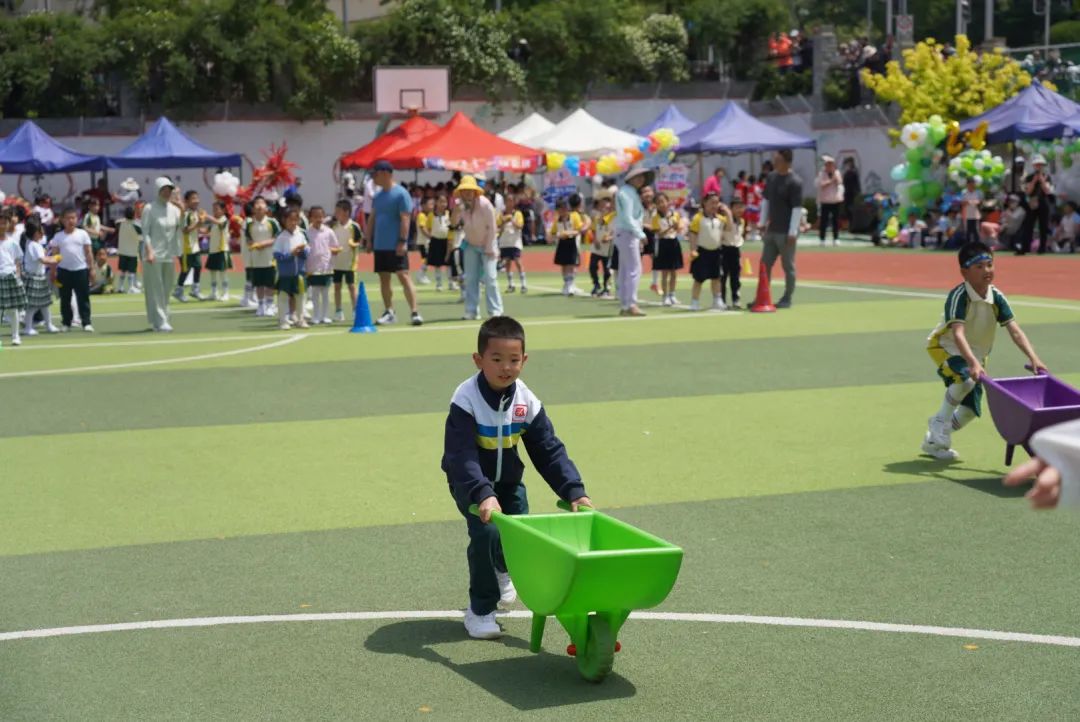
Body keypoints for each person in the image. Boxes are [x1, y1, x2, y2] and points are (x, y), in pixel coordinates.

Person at [441, 316, 591, 639]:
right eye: (496, 360)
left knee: (519, 532)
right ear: (478, 360)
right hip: (469, 482)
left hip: (508, 483)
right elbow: (461, 456)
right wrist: (481, 492)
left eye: (513, 360)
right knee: (487, 534)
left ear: (524, 360)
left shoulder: (525, 400)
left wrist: (573, 489)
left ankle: (502, 568)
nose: (505, 368)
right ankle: (480, 610)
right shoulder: (465, 400)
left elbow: (548, 449)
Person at [922, 240, 1047, 460]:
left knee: (971, 411)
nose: (986, 271)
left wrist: (1034, 357)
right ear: (964, 272)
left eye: (989, 264)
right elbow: (958, 333)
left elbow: (1015, 330)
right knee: (966, 381)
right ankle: (939, 421)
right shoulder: (959, 296)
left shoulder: (996, 297)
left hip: (977, 356)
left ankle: (934, 440)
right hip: (946, 347)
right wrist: (971, 362)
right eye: (979, 267)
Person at [366, 159, 422, 326]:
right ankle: (389, 311)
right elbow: (372, 219)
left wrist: (402, 241)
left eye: (375, 174)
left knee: (403, 276)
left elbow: (405, 219)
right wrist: (368, 240)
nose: (373, 178)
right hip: (380, 245)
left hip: (396, 244)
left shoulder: (401, 194)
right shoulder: (377, 196)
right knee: (384, 278)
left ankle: (414, 312)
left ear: (384, 173)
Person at [452, 175, 502, 320]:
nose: (467, 193)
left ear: (475, 192)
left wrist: (489, 247)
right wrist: (456, 210)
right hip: (470, 245)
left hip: (488, 245)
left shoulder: (485, 204)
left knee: (491, 278)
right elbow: (454, 223)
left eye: (470, 190)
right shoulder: (460, 205)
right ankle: (471, 311)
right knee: (471, 279)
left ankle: (495, 312)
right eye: (464, 190)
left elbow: (493, 228)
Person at [759, 148, 803, 309]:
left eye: (777, 161)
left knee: (788, 266)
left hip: (786, 232)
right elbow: (766, 201)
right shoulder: (771, 178)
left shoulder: (795, 182)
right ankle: (763, 295)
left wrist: (792, 232)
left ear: (787, 162)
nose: (774, 163)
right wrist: (762, 222)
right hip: (772, 229)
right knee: (765, 263)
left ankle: (787, 297)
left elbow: (797, 208)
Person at [140, 177, 184, 332]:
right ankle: (161, 320)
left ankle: (160, 318)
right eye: (163, 190)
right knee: (155, 288)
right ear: (157, 190)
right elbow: (145, 232)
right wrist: (149, 251)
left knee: (166, 288)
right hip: (153, 255)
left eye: (169, 190)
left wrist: (182, 208)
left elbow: (182, 227)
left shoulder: (174, 209)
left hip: (169, 254)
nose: (167, 193)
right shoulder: (149, 208)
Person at [614, 167, 653, 317]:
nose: (641, 179)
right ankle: (631, 303)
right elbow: (628, 217)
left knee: (625, 270)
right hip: (628, 232)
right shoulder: (627, 193)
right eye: (638, 177)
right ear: (630, 178)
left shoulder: (627, 192)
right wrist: (640, 234)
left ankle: (625, 304)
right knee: (634, 269)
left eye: (642, 177)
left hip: (624, 232)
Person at [50, 207, 96, 333]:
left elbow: (88, 253)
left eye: (73, 218)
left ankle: (86, 322)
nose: (71, 220)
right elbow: (54, 256)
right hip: (64, 271)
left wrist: (91, 269)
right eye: (68, 218)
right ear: (62, 220)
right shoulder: (58, 237)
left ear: (77, 219)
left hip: (81, 270)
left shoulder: (83, 234)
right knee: (65, 299)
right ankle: (66, 323)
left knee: (83, 298)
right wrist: (53, 272)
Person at [687, 193, 728, 312]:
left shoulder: (720, 218)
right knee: (698, 279)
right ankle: (694, 302)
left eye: (716, 202)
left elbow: (729, 227)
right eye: (711, 202)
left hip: (716, 252)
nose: (714, 205)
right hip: (702, 252)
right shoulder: (698, 218)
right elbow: (693, 234)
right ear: (704, 203)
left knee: (716, 278)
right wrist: (693, 250)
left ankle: (717, 300)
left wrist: (728, 213)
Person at [272, 208, 309, 330]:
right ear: (284, 221)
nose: (293, 223)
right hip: (285, 274)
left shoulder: (301, 234)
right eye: (290, 220)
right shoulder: (281, 237)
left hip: (299, 273)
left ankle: (300, 319)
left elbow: (308, 250)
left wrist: (304, 251)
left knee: (300, 297)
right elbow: (276, 255)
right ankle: (283, 320)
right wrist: (290, 254)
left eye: (295, 220)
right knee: (283, 297)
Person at [21, 218, 59, 336]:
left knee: (45, 304)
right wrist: (54, 259)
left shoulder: (33, 244)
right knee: (32, 305)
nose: (43, 233)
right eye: (41, 231)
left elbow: (42, 256)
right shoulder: (33, 245)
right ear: (36, 233)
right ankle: (28, 327)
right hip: (34, 278)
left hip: (38, 277)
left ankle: (49, 325)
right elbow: (42, 259)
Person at [245, 197, 281, 318]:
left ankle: (270, 305)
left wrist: (263, 244)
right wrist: (253, 245)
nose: (259, 206)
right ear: (253, 209)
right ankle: (261, 305)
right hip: (256, 259)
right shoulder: (250, 224)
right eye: (257, 204)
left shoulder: (272, 222)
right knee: (259, 283)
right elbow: (248, 239)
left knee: (270, 283)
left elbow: (277, 238)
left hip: (269, 258)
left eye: (262, 204)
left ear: (266, 208)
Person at [330, 199, 363, 322]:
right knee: (337, 286)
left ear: (346, 212)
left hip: (350, 263)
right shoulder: (333, 226)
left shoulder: (354, 226)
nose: (336, 213)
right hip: (337, 262)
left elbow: (359, 241)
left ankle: (355, 310)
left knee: (351, 287)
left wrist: (353, 244)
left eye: (338, 211)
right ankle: (338, 311)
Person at [651, 192, 685, 306]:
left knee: (674, 272)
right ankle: (665, 296)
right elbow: (658, 234)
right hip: (663, 243)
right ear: (656, 205)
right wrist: (671, 227)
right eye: (658, 202)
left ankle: (672, 295)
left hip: (674, 243)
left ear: (668, 202)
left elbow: (680, 229)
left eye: (663, 201)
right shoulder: (655, 217)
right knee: (665, 272)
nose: (662, 204)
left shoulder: (675, 214)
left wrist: (677, 227)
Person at [305, 206, 336, 325]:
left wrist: (330, 252)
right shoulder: (307, 232)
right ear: (310, 218)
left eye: (321, 216)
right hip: (313, 267)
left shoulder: (328, 231)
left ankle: (325, 315)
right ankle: (316, 315)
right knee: (315, 292)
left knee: (326, 293)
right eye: (315, 217)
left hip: (326, 267)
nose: (318, 219)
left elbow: (335, 246)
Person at [550, 197, 584, 297]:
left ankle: (571, 285)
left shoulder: (574, 216)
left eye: (565, 208)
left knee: (571, 264)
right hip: (562, 243)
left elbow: (579, 229)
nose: (563, 210)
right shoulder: (557, 220)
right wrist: (558, 235)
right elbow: (553, 232)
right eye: (560, 208)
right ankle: (567, 284)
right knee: (564, 265)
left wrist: (569, 233)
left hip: (572, 242)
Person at [0, 216, 26, 345]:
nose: (2, 226)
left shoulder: (12, 242)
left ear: (8, 224)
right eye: (0, 223)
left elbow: (17, 261)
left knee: (13, 308)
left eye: (4, 223)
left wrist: (18, 277)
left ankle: (15, 336)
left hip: (10, 276)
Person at [174, 190, 204, 302]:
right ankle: (178, 291)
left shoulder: (195, 213)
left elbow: (196, 229)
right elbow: (185, 230)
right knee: (185, 270)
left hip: (194, 246)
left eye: (197, 198)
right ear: (186, 201)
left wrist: (205, 230)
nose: (196, 201)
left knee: (198, 266)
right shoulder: (186, 214)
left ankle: (195, 290)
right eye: (193, 198)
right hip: (186, 247)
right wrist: (198, 225)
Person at [1020, 155, 1053, 254]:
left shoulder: (1047, 176)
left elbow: (1047, 191)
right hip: (1032, 203)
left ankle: (1042, 248)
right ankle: (1025, 248)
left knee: (1044, 226)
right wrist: (1034, 181)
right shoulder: (1029, 177)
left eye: (1040, 165)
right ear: (1034, 166)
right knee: (1028, 225)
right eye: (1037, 165)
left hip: (1043, 202)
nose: (1039, 166)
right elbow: (1028, 191)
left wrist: (1042, 180)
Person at [720, 199, 746, 308]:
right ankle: (722, 300)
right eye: (736, 207)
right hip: (724, 249)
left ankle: (736, 299)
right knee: (723, 277)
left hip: (735, 250)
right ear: (731, 209)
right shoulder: (725, 220)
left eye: (741, 207)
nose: (739, 209)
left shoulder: (743, 221)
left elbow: (739, 237)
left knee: (735, 277)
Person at [203, 200, 231, 301]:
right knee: (212, 272)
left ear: (223, 210)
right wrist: (196, 225)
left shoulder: (224, 220)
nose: (214, 211)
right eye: (213, 209)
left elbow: (219, 223)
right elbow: (205, 231)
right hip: (213, 250)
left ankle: (225, 293)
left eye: (216, 209)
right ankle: (214, 292)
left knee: (223, 273)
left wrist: (207, 216)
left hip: (222, 250)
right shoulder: (213, 222)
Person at [497, 197, 526, 294]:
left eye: (511, 201)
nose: (509, 203)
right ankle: (511, 284)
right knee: (507, 263)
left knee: (518, 261)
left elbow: (520, 226)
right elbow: (498, 227)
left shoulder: (517, 214)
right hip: (505, 242)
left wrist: (512, 220)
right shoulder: (501, 214)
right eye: (507, 201)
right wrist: (504, 221)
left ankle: (523, 284)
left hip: (515, 242)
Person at [589, 190, 615, 298]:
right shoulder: (597, 218)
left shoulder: (613, 217)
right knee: (592, 266)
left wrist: (609, 238)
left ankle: (606, 288)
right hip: (597, 247)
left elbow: (615, 232)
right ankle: (596, 284)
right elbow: (594, 230)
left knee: (607, 269)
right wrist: (595, 239)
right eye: (602, 205)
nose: (604, 208)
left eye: (606, 206)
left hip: (608, 247)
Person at [816, 155, 844, 245]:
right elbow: (821, 184)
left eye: (831, 164)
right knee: (824, 220)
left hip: (835, 200)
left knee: (835, 220)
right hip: (825, 200)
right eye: (828, 164)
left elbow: (840, 182)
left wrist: (835, 176)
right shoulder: (822, 173)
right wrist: (831, 180)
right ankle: (822, 239)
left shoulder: (837, 172)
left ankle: (836, 238)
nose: (829, 166)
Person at [115, 205, 142, 294]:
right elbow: (142, 237)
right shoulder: (136, 225)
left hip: (122, 251)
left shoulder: (120, 223)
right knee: (131, 270)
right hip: (132, 251)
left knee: (123, 270)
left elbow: (116, 222)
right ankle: (131, 287)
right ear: (134, 214)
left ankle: (120, 287)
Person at [415, 195, 433, 285]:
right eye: (430, 204)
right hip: (423, 242)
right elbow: (423, 228)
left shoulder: (429, 215)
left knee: (427, 259)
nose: (432, 206)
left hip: (426, 242)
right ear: (423, 205)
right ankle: (420, 275)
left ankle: (423, 274)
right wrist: (430, 237)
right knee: (426, 259)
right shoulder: (421, 215)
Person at [960, 177, 982, 243]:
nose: (971, 185)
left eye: (973, 183)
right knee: (967, 232)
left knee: (976, 231)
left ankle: (977, 246)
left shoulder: (978, 192)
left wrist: (975, 202)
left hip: (975, 215)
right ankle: (967, 247)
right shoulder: (964, 192)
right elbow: (962, 202)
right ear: (967, 184)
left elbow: (980, 202)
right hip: (967, 215)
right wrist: (970, 202)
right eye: (970, 183)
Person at [841, 157, 861, 231]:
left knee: (851, 209)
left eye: (848, 163)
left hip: (851, 193)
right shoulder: (847, 171)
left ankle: (852, 225)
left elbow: (856, 183)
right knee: (847, 209)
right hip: (846, 192)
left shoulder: (853, 171)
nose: (847, 165)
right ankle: (848, 225)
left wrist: (857, 192)